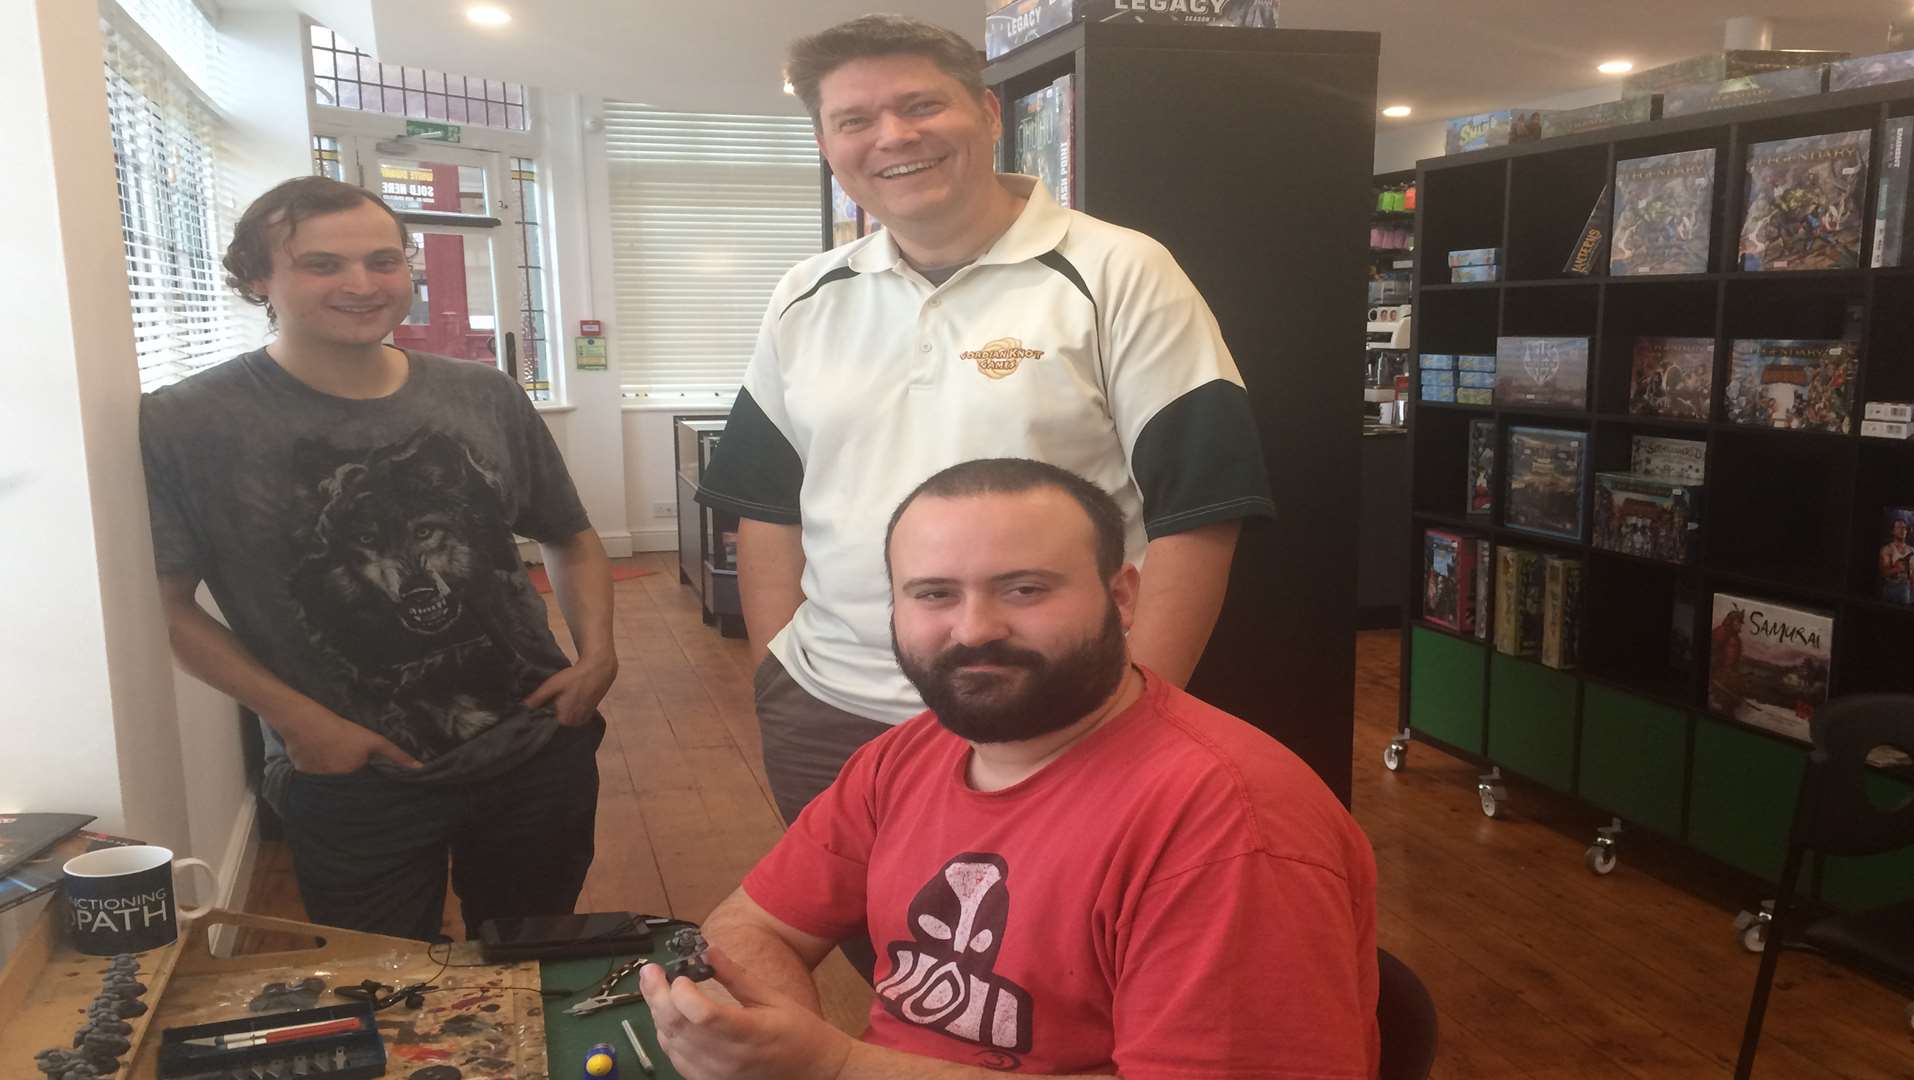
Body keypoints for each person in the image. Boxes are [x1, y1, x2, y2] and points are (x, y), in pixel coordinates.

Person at [696, 14, 1277, 835]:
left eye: (921, 105)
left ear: (988, 113)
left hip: (1051, 715)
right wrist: (773, 674)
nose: (893, 136)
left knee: (1040, 956)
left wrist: (1133, 722)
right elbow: (766, 503)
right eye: (854, 120)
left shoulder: (1120, 271)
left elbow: (1201, 512)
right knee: (888, 952)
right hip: (829, 714)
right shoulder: (804, 293)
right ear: (827, 143)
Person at [642, 459, 1378, 1079]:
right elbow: (747, 928)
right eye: (934, 594)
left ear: (1122, 597)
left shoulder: (1229, 823)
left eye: (1025, 589)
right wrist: (775, 1038)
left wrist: (835, 1068)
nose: (974, 629)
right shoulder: (906, 758)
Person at [139, 176, 617, 940]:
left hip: (534, 745)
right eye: (322, 265)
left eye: (383, 261)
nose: (361, 285)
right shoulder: (189, 422)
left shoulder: (482, 394)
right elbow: (161, 606)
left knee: (532, 961)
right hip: (354, 774)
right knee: (383, 987)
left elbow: (570, 534)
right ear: (259, 279)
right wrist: (299, 722)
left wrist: (597, 658)